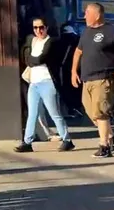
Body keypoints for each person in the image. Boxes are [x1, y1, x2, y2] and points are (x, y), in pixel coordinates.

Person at [72, 3, 114, 158]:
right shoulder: (86, 32)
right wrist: (73, 71)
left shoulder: (111, 31)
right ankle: (112, 135)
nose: (85, 16)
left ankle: (104, 146)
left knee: (101, 113)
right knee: (91, 112)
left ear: (97, 15)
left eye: (87, 13)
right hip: (87, 79)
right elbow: (78, 52)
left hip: (104, 78)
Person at [15, 18, 74, 153]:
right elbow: (27, 57)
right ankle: (27, 142)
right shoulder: (32, 41)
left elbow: (41, 58)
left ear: (46, 28)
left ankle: (67, 140)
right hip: (34, 82)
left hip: (47, 82)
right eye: (35, 28)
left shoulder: (51, 42)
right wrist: (31, 60)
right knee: (32, 114)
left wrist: (31, 60)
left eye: (41, 27)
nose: (38, 30)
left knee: (54, 113)